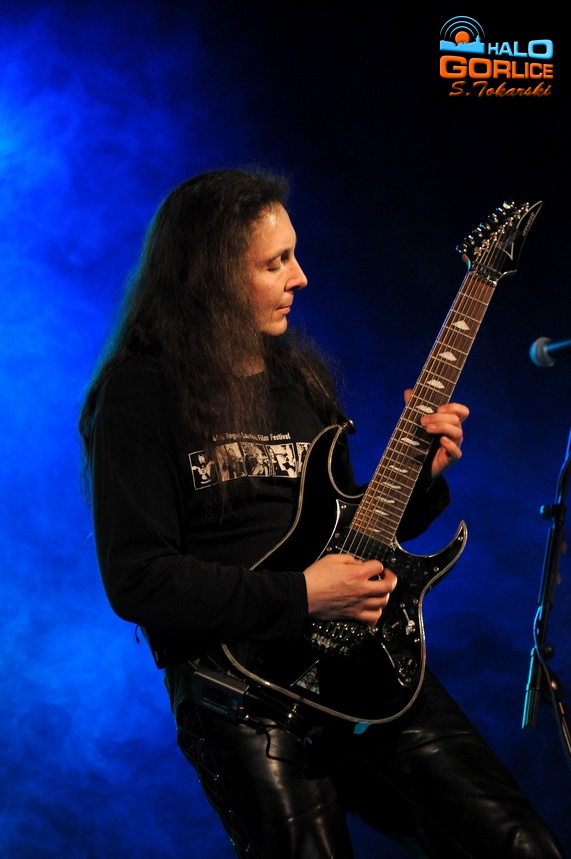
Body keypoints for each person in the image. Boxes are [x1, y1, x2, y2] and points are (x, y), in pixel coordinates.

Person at [79, 169, 565, 858]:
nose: (299, 277)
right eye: (274, 262)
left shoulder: (298, 381)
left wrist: (420, 478)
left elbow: (350, 534)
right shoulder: (138, 394)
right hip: (240, 690)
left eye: (295, 255)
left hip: (369, 667)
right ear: (210, 275)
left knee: (524, 846)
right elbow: (140, 580)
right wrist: (303, 594)